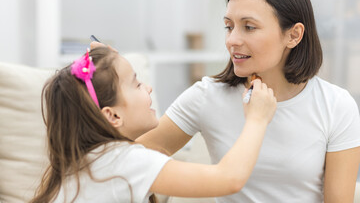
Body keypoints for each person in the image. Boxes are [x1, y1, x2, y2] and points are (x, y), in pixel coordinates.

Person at [136, 0, 360, 203]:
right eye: (229, 26)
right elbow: (125, 158)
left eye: (249, 27)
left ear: (294, 35)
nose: (232, 40)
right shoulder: (206, 96)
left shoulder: (336, 105)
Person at [30, 47, 276, 203]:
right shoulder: (126, 162)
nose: (148, 87)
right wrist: (257, 119)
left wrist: (110, 67)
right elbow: (228, 179)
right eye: (137, 84)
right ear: (112, 116)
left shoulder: (86, 162)